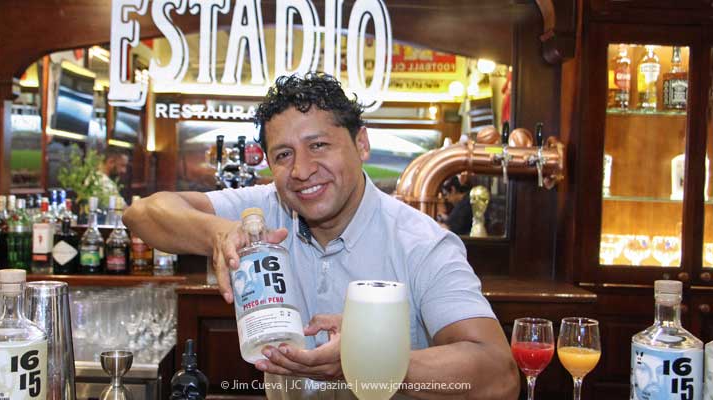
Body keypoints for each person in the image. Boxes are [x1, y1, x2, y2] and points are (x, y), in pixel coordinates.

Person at [123, 73, 519, 399]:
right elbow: (142, 213)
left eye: (318, 145)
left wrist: (362, 361)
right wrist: (220, 232)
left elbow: (498, 375)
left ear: (361, 143)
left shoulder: (422, 243)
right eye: (283, 155)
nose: (301, 170)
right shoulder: (266, 209)